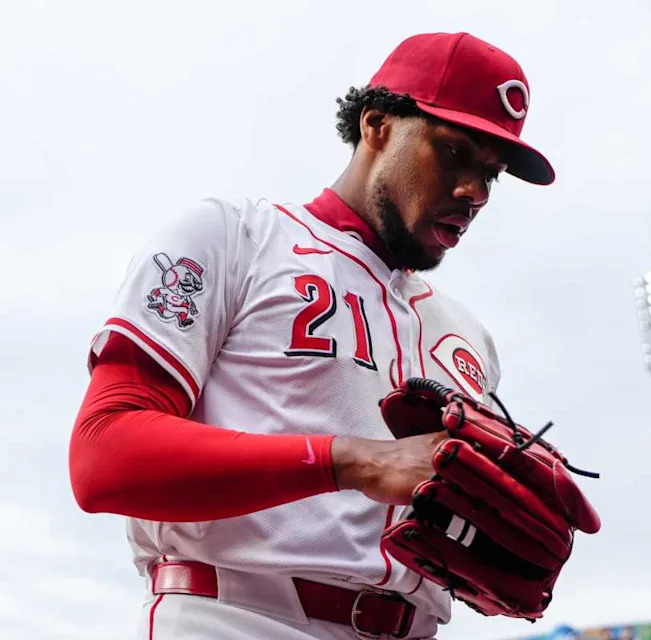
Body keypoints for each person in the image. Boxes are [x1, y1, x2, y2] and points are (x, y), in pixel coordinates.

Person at [69, 31, 556, 639]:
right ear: (377, 125)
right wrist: (353, 460)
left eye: (492, 174)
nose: (474, 192)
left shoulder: (467, 337)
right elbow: (104, 455)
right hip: (234, 616)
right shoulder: (237, 238)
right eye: (454, 151)